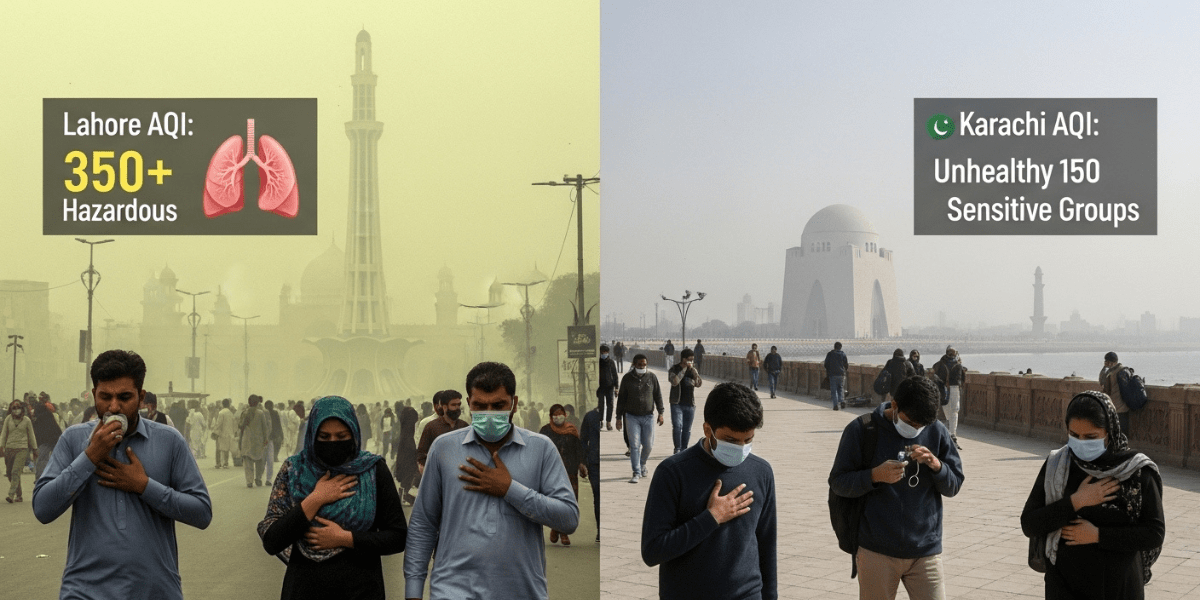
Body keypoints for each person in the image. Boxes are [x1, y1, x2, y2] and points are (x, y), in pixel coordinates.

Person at [33, 349, 212, 599]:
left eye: (124, 397)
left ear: (141, 398)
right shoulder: (73, 440)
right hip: (85, 592)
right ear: (94, 394)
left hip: (155, 591)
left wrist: (144, 486)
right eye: (105, 397)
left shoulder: (169, 441)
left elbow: (202, 512)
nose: (113, 406)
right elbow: (42, 508)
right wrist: (90, 457)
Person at [403, 361, 579, 600]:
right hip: (452, 590)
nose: (488, 414)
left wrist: (510, 489)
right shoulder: (444, 449)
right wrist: (413, 592)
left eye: (498, 406)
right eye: (480, 406)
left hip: (522, 591)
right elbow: (423, 525)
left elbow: (568, 518)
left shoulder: (540, 449)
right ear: (468, 405)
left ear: (514, 404)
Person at [258, 396, 407, 600]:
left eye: (341, 435)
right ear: (312, 435)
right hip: (305, 590)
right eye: (324, 437)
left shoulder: (372, 471)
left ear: (353, 433)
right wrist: (316, 499)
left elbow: (397, 537)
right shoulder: (294, 471)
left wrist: (345, 538)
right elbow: (273, 541)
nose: (333, 443)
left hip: (361, 590)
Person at [829, 376, 964, 600]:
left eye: (921, 426)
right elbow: (838, 483)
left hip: (926, 551)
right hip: (876, 551)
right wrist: (874, 475)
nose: (916, 429)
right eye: (910, 422)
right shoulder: (862, 430)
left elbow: (954, 485)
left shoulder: (936, 431)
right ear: (894, 405)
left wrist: (936, 465)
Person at [1020, 391, 1164, 599]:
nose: (1081, 443)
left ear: (1109, 432)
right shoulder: (1057, 465)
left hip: (1119, 587)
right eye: (1074, 435)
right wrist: (1077, 501)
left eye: (1091, 437)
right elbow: (1030, 524)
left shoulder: (1135, 471)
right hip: (1065, 585)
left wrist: (1098, 535)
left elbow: (1154, 533)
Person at [641, 382, 777, 600]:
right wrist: (711, 517)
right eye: (731, 440)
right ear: (707, 430)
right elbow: (652, 551)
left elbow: (767, 545)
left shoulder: (761, 472)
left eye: (748, 440)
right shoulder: (673, 473)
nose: (740, 448)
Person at [539, 404, 587, 547]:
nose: (558, 417)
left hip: (570, 471)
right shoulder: (545, 431)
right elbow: (540, 450)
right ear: (550, 416)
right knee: (555, 501)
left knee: (570, 502)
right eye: (555, 414)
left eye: (560, 414)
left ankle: (561, 529)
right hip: (551, 473)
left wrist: (582, 464)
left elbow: (579, 449)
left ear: (565, 415)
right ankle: (559, 530)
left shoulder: (571, 430)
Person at [616, 354, 665, 483]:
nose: (642, 367)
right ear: (634, 364)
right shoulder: (627, 378)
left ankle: (642, 463)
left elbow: (657, 395)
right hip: (631, 417)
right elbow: (621, 399)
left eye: (644, 364)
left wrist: (661, 413)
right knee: (635, 445)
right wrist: (618, 418)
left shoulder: (652, 377)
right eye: (639, 365)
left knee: (648, 445)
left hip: (648, 416)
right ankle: (636, 472)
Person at [416, 390, 467, 470]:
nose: (457, 408)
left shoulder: (463, 425)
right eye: (453, 405)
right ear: (444, 407)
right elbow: (422, 453)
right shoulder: (430, 426)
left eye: (458, 405)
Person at [667, 348, 703, 454]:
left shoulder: (692, 370)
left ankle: (684, 449)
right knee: (677, 427)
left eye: (692, 359)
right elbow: (674, 382)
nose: (691, 361)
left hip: (690, 404)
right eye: (689, 359)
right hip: (676, 403)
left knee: (687, 429)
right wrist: (683, 370)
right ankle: (677, 448)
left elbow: (699, 384)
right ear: (683, 359)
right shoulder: (674, 369)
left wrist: (694, 373)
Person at [2, 400, 37, 502]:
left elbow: (31, 435)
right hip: (9, 448)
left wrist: (35, 448)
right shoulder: (8, 419)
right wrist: (1, 446)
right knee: (9, 473)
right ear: (11, 409)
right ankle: (19, 494)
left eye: (18, 408)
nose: (16, 410)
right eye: (14, 408)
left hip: (22, 449)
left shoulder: (27, 420)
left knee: (15, 471)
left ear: (22, 409)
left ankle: (11, 495)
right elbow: (4, 434)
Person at [933, 347, 966, 450]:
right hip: (947, 388)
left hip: (952, 388)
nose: (952, 354)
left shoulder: (955, 363)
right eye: (951, 352)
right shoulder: (944, 363)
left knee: (954, 410)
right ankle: (950, 432)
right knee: (948, 409)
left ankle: (952, 433)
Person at [580, 402, 601, 543]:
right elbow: (583, 441)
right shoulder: (590, 417)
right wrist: (582, 462)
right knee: (598, 497)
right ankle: (601, 529)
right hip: (595, 462)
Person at [241, 394, 273, 487]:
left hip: (247, 440)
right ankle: (258, 478)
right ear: (258, 402)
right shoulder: (260, 413)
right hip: (259, 440)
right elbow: (264, 427)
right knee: (260, 461)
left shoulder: (244, 412)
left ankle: (249, 481)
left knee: (248, 461)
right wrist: (266, 439)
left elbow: (240, 426)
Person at [1099, 352, 1133, 438]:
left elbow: (1102, 381)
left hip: (1119, 408)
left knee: (1119, 434)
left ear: (1111, 362)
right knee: (1118, 434)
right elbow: (1102, 381)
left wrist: (1105, 368)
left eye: (1107, 361)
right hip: (1118, 407)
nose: (1106, 363)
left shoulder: (1116, 372)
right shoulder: (1116, 371)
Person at [393, 406, 419, 505]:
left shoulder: (403, 429)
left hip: (403, 454)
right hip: (408, 454)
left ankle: (403, 495)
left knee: (406, 475)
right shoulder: (409, 431)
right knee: (409, 474)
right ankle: (405, 496)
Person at [32, 399, 62, 479]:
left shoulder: (39, 419)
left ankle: (39, 477)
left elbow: (37, 434)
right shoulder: (49, 415)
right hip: (56, 440)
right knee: (57, 459)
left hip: (44, 442)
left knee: (42, 460)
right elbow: (57, 429)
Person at [598, 344, 619, 431]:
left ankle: (608, 422)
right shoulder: (598, 362)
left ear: (608, 352)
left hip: (610, 387)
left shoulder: (611, 362)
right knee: (600, 405)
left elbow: (615, 375)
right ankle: (600, 421)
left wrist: (616, 387)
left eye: (605, 352)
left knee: (610, 405)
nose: (604, 354)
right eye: (602, 352)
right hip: (600, 387)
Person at [825, 341, 849, 411]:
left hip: (832, 375)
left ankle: (835, 405)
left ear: (834, 347)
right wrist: (844, 370)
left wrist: (829, 371)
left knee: (833, 390)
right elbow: (846, 365)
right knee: (840, 389)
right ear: (840, 347)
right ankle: (841, 401)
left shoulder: (830, 354)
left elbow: (826, 364)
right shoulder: (843, 354)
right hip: (841, 374)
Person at [214, 398, 237, 468]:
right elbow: (234, 424)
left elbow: (218, 423)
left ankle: (218, 463)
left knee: (218, 448)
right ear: (229, 404)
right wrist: (234, 432)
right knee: (226, 449)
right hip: (229, 434)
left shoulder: (221, 412)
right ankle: (225, 463)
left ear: (222, 404)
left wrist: (215, 431)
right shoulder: (231, 413)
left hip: (221, 434)